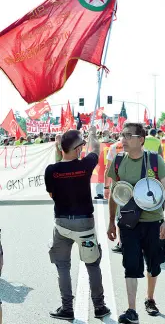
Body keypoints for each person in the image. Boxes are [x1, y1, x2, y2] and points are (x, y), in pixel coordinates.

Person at [107, 122, 165, 323]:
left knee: (153, 264)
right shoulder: (118, 161)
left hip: (154, 222)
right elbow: (114, 194)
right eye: (122, 135)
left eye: (129, 135)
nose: (124, 139)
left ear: (141, 139)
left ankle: (150, 298)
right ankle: (131, 311)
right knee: (130, 264)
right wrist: (111, 222)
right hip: (128, 223)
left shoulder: (154, 160)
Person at [45, 127, 110, 320]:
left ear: (61, 148)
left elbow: (51, 194)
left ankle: (67, 308)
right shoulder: (85, 165)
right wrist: (91, 136)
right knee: (92, 265)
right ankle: (99, 306)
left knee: (62, 266)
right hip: (84, 225)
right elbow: (96, 149)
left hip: (63, 225)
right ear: (79, 149)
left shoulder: (52, 170)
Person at [104, 137, 124, 253]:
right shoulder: (140, 145)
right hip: (134, 185)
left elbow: (108, 168)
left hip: (119, 187)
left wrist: (106, 187)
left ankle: (122, 243)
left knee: (120, 216)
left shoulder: (114, 147)